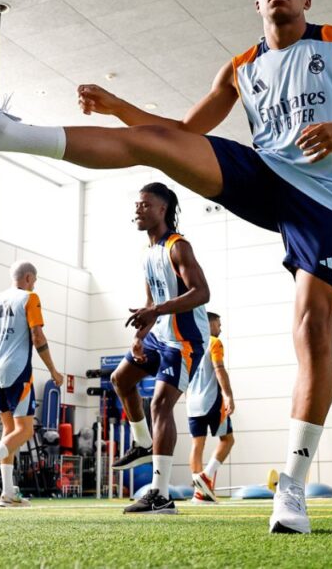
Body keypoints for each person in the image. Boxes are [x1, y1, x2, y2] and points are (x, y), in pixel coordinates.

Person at [0, 0, 332, 533]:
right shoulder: (240, 68)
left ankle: (292, 489)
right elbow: (179, 132)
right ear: (257, 4)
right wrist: (119, 110)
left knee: (313, 325)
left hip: (326, 199)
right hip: (266, 175)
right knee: (155, 146)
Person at [108, 183, 210, 515]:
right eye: (136, 205)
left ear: (162, 209)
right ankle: (142, 442)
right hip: (158, 334)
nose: (137, 210)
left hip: (185, 339)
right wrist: (140, 335)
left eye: (144, 205)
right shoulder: (147, 254)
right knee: (121, 380)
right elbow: (152, 302)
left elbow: (201, 293)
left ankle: (161, 495)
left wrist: (157, 311)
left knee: (161, 404)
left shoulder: (179, 247)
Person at [0, 261, 65, 508]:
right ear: (29, 277)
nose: (35, 284)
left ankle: (8, 493)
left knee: (10, 434)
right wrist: (53, 370)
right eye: (35, 280)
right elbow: (37, 335)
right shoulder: (29, 298)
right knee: (25, 431)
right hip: (17, 371)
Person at [187, 312, 235, 504]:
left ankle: (199, 494)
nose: (220, 328)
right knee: (228, 440)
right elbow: (219, 369)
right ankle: (205, 478)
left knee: (197, 445)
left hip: (192, 403)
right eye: (218, 324)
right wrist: (228, 395)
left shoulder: (189, 344)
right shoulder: (213, 342)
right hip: (211, 400)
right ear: (209, 324)